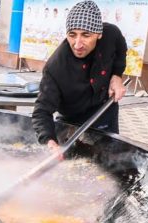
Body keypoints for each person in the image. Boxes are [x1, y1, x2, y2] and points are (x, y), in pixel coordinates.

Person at [31, 0, 127, 154]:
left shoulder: (111, 34)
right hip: (71, 120)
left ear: (99, 34)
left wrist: (117, 76)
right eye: (72, 35)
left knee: (109, 159)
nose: (77, 44)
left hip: (104, 110)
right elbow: (42, 111)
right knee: (73, 162)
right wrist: (50, 142)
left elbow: (121, 49)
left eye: (86, 35)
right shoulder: (56, 67)